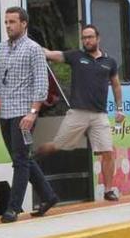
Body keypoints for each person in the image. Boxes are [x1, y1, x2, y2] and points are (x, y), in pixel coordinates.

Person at [0, 7, 59, 223]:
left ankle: (13, 208)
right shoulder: (0, 48)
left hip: (24, 114)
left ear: (24, 23)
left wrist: (33, 113)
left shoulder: (33, 49)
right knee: (21, 158)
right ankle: (49, 195)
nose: (8, 26)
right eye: (6, 22)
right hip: (6, 112)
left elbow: (41, 83)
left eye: (12, 22)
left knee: (19, 161)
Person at [39, 24, 124, 202]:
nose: (86, 40)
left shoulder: (110, 62)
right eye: (84, 38)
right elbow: (51, 53)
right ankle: (33, 157)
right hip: (77, 113)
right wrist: (30, 44)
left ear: (98, 38)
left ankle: (108, 191)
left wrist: (119, 108)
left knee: (108, 152)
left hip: (99, 115)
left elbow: (116, 85)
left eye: (90, 37)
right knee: (57, 145)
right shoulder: (76, 56)